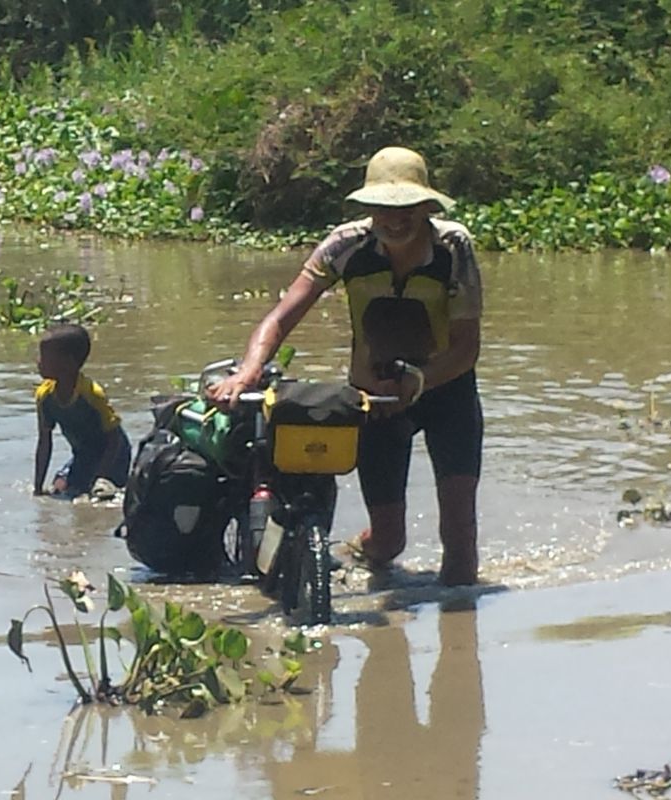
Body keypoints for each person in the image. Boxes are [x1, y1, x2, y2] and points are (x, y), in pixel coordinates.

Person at [207, 146, 484, 585]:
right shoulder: (345, 244)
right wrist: (248, 370)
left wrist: (419, 380)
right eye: (383, 209)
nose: (395, 220)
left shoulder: (453, 246)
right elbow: (281, 317)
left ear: (428, 207)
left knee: (460, 544)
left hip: (445, 391)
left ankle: (456, 637)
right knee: (389, 541)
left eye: (407, 209)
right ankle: (351, 557)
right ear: (368, 208)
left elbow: (467, 347)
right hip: (374, 399)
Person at [33, 323, 131, 498]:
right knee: (59, 488)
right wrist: (38, 487)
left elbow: (114, 440)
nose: (38, 361)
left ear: (68, 363)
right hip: (83, 455)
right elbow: (44, 442)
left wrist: (101, 477)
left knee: (99, 494)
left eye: (45, 357)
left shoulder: (92, 394)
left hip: (114, 456)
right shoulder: (45, 396)